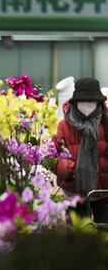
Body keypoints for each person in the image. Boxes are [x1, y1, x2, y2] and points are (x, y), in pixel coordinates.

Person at [53, 77, 108, 223]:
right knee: (78, 239)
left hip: (104, 192)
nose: (87, 105)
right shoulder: (64, 125)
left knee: (104, 237)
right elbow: (53, 153)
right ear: (75, 101)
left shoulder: (106, 122)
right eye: (83, 101)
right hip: (74, 193)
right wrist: (66, 168)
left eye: (91, 101)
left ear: (99, 101)